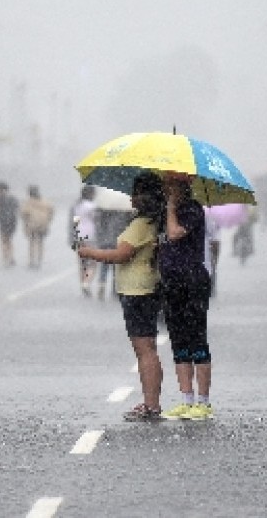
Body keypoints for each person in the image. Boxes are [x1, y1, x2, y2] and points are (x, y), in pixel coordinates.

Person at [77, 172, 165, 421]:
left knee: (144, 350)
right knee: (148, 349)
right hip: (146, 288)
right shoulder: (152, 222)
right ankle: (152, 402)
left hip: (137, 290)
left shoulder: (141, 225)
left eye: (136, 192)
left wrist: (89, 252)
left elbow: (121, 255)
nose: (132, 197)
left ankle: (150, 405)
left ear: (144, 196)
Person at [159, 171, 214, 421]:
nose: (167, 191)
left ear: (182, 188)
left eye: (171, 186)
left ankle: (203, 401)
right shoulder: (166, 211)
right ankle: (186, 398)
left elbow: (174, 234)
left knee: (197, 340)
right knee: (178, 340)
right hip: (172, 282)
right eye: (166, 187)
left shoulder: (192, 210)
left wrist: (170, 208)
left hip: (192, 281)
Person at [70, 185, 98, 296]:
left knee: (82, 262)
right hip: (90, 235)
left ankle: (82, 283)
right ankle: (86, 283)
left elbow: (75, 221)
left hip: (79, 235)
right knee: (92, 263)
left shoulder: (77, 206)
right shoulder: (92, 206)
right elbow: (96, 220)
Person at [20, 185, 55, 269]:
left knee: (32, 243)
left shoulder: (28, 203)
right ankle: (39, 260)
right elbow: (51, 211)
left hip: (32, 225)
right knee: (40, 243)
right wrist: (48, 221)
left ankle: (32, 260)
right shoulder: (45, 202)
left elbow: (24, 214)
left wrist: (26, 224)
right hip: (42, 224)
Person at [0, 181, 19, 267]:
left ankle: (6, 257)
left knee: (4, 240)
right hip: (12, 222)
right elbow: (17, 208)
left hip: (3, 222)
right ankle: (11, 257)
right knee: (9, 240)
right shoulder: (13, 198)